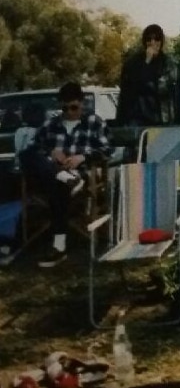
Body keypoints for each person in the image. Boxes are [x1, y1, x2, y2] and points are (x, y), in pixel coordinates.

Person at [19, 82, 114, 268]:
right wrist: (51, 154)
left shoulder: (94, 122)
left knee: (56, 186)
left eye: (74, 107)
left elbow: (108, 149)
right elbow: (34, 149)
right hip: (54, 173)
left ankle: (59, 247)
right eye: (65, 107)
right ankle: (63, 177)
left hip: (80, 173)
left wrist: (82, 157)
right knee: (27, 155)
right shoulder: (50, 125)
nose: (70, 112)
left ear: (82, 103)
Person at [117, 24, 179, 126]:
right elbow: (131, 90)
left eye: (157, 39)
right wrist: (147, 62)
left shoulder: (169, 64)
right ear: (144, 41)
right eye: (149, 39)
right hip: (139, 119)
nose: (152, 42)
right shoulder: (133, 63)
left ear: (162, 41)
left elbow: (173, 92)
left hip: (163, 119)